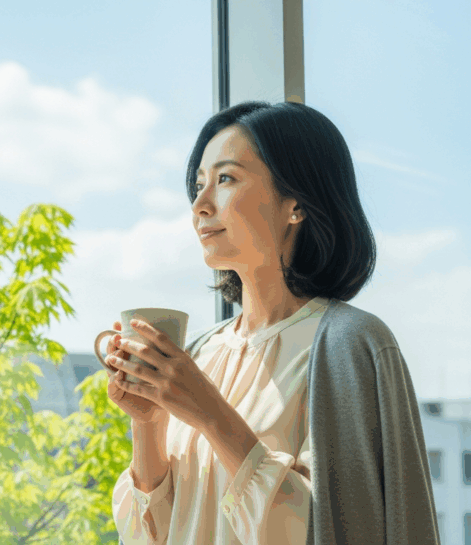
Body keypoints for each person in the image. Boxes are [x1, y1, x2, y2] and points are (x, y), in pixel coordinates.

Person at [101, 101, 440, 544]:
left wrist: (208, 410)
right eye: (199, 185)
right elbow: (162, 533)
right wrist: (149, 423)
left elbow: (326, 530)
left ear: (295, 204)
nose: (200, 205)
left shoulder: (349, 343)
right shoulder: (201, 353)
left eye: (225, 179)